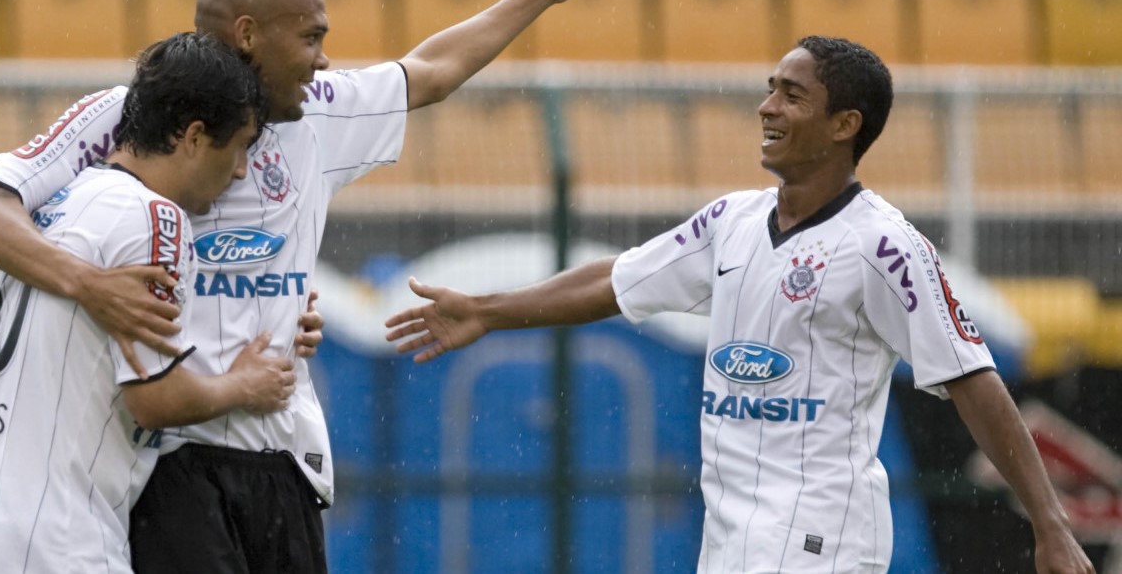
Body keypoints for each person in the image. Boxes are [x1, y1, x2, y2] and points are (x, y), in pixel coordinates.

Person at [0, 0, 639, 572]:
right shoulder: (124, 118)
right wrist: (87, 285)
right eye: (310, 37)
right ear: (248, 34)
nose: (325, 60)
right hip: (170, 459)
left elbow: (433, 70)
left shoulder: (319, 117)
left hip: (279, 453)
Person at [385, 36, 1096, 573]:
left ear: (845, 123)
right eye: (769, 88)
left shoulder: (884, 246)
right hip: (732, 535)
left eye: (791, 94)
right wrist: (487, 310)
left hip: (822, 538)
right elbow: (619, 279)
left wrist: (1050, 522)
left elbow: (973, 377)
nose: (767, 105)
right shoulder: (731, 220)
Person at [0, 33, 298, 574]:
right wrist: (244, 385)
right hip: (57, 544)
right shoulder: (156, 219)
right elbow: (155, 399)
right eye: (238, 146)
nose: (241, 170)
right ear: (193, 136)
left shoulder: (50, 209)